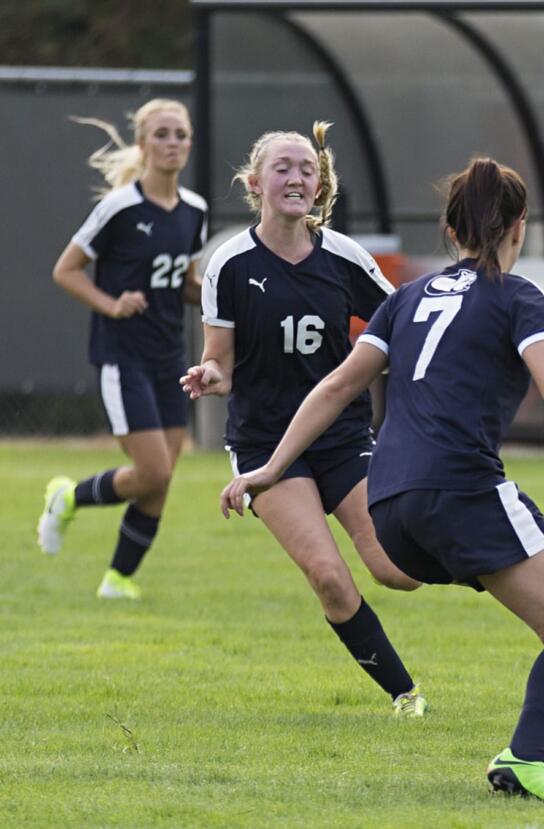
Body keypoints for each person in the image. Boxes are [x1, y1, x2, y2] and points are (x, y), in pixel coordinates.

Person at [218, 157, 544, 801]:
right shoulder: (517, 295)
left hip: (390, 506)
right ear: (519, 228)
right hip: (463, 489)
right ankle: (526, 756)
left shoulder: (407, 298)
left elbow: (337, 385)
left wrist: (270, 468)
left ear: (450, 232)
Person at [180, 122, 426, 717]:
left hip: (342, 438)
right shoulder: (230, 264)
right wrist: (211, 376)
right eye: (283, 167)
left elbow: (402, 323)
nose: (295, 177)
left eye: (306, 169)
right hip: (266, 447)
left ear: (320, 187)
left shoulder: (343, 257)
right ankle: (405, 695)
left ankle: (491, 560)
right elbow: (221, 364)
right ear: (255, 182)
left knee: (399, 571)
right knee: (329, 578)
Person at [39, 99, 208, 599]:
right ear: (142, 144)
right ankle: (66, 497)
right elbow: (65, 270)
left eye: (180, 133)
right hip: (122, 354)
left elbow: (185, 283)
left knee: (161, 477)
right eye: (161, 134)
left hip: (168, 355)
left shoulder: (194, 210)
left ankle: (118, 579)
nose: (172, 142)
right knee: (152, 470)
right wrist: (110, 304)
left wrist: (234, 293)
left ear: (190, 142)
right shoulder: (119, 207)